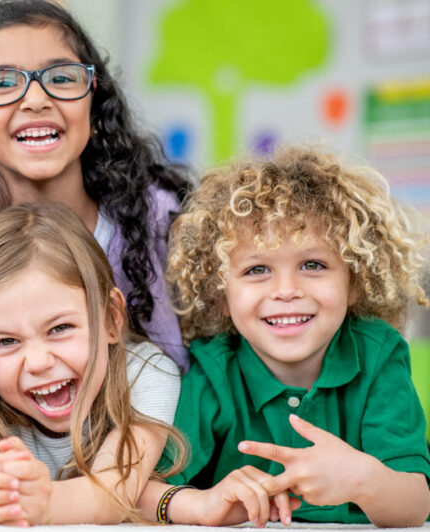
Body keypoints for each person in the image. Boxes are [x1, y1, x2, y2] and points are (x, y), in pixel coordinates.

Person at [139, 146, 430, 527]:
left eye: (313, 264)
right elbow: (141, 492)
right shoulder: (214, 370)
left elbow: (415, 504)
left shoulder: (379, 355)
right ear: (220, 295)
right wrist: (200, 503)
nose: (286, 290)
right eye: (257, 269)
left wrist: (361, 480)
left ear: (354, 282)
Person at [0, 0, 192, 370]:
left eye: (61, 78)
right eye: (3, 83)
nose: (36, 100)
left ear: (94, 110)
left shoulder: (159, 219)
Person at [0, 202, 184, 525]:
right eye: (5, 342)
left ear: (111, 318)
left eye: (59, 329)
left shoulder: (145, 374)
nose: (39, 362)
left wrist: (44, 503)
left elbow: (110, 495)